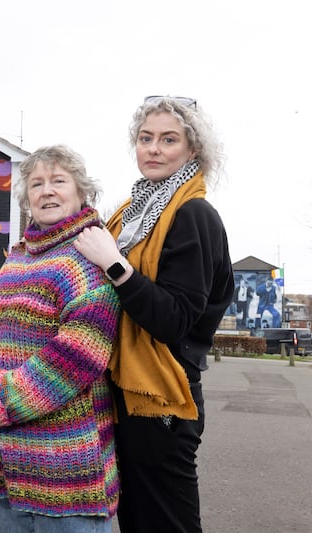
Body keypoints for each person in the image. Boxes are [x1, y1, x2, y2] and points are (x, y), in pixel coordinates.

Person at [73, 96, 234, 532]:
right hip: (122, 391)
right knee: (137, 519)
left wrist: (115, 265)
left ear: (192, 150)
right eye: (146, 139)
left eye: (169, 139)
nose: (154, 149)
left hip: (161, 395)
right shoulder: (131, 214)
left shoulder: (193, 214)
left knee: (168, 523)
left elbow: (175, 319)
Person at [0, 145, 122, 532]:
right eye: (36, 183)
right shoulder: (18, 258)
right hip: (4, 465)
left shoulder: (88, 258)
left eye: (58, 181)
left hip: (65, 474)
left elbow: (76, 358)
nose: (47, 191)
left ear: (81, 192)